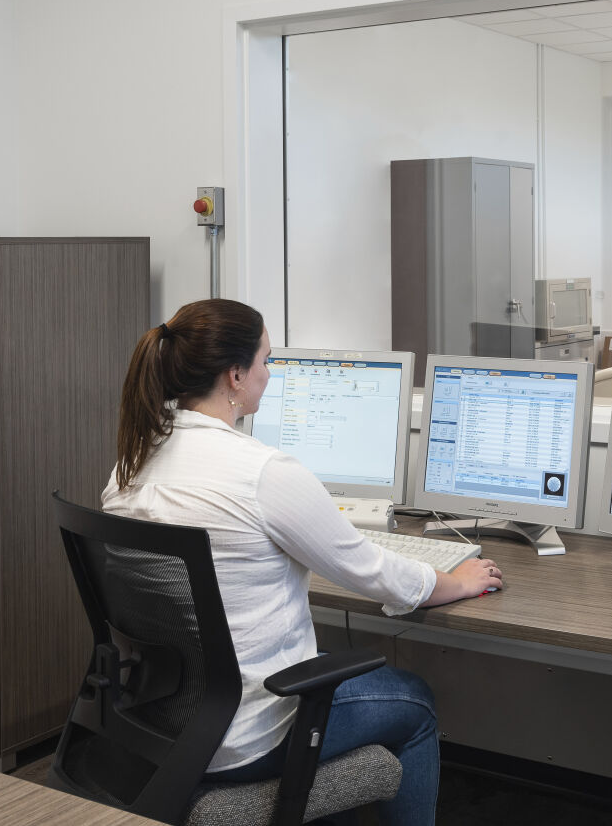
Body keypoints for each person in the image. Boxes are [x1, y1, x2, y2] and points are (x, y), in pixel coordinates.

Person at [102, 298, 504, 826]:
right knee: (416, 701)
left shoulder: (130, 465)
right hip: (247, 736)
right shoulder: (262, 472)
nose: (270, 374)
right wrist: (453, 581)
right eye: (265, 361)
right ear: (235, 375)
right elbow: (372, 571)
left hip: (163, 722)